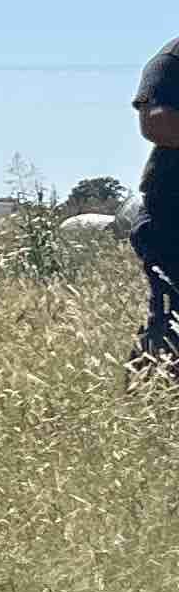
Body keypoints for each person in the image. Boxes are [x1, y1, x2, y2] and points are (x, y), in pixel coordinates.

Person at [137, 41, 179, 369]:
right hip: (172, 214)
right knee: (172, 325)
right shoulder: (172, 59)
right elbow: (156, 122)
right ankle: (154, 407)